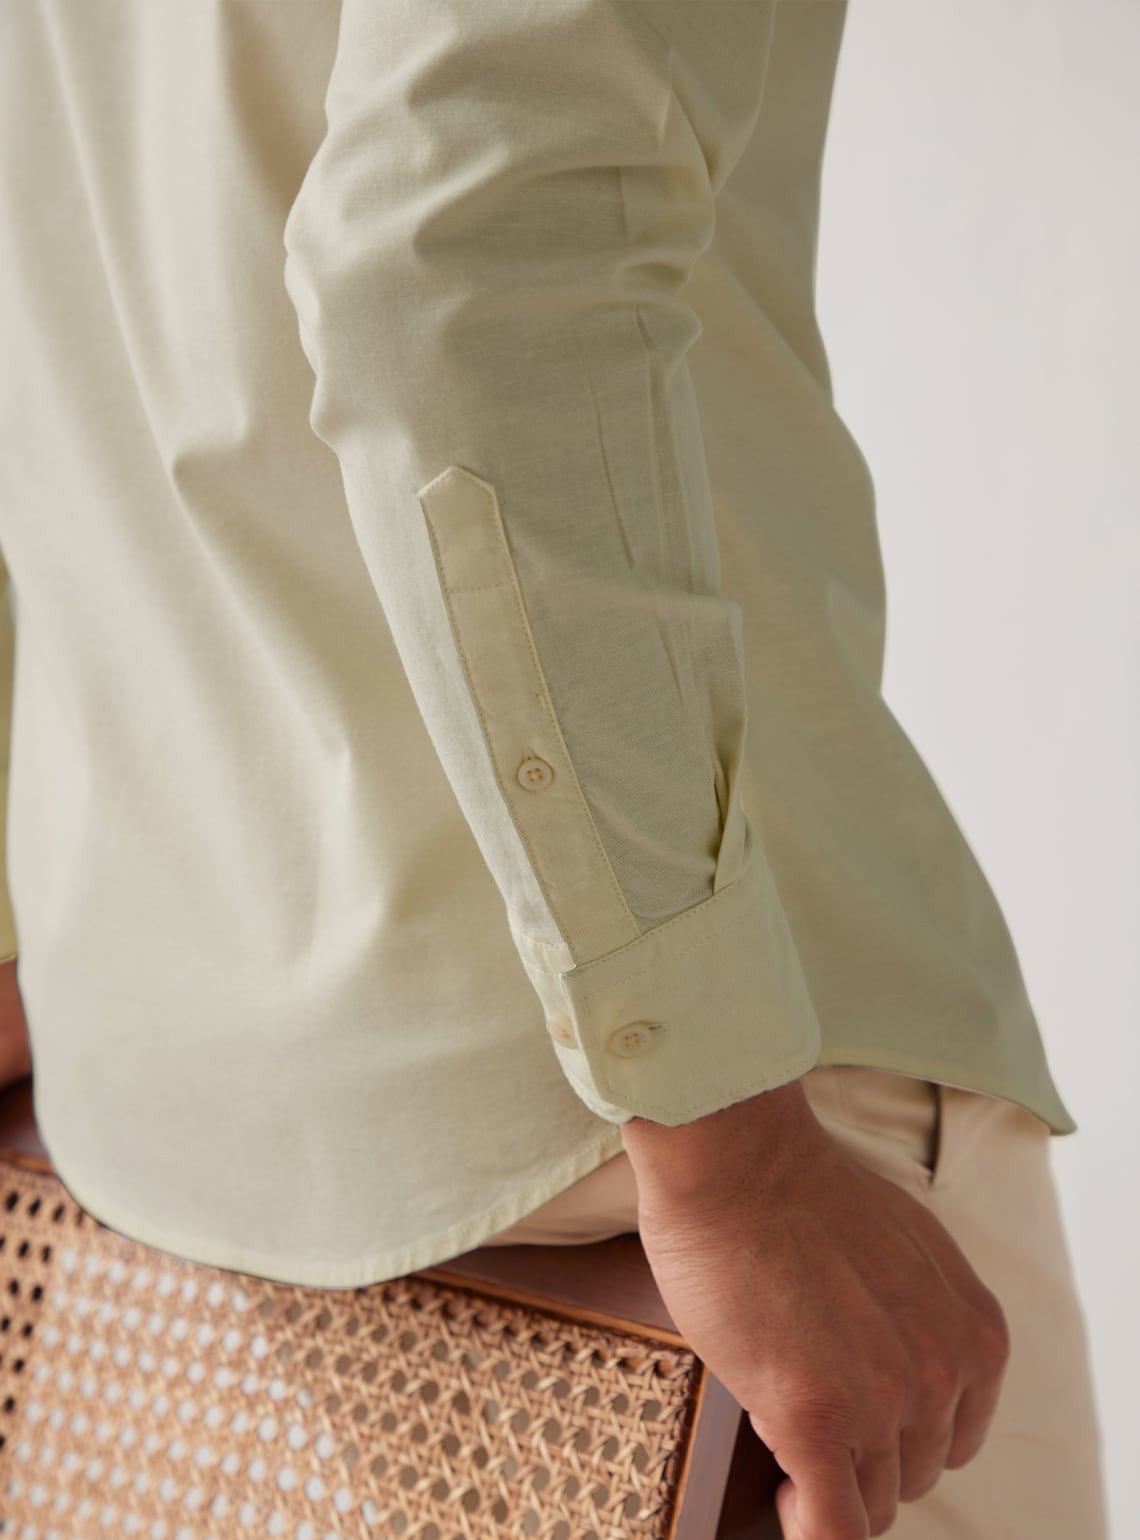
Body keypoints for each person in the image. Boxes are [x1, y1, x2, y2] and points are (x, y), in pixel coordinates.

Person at [0, 2, 1106, 1536]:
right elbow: (454, 262)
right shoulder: (737, 1156)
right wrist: (732, 1150)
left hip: (163, 1071)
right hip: (692, 1130)